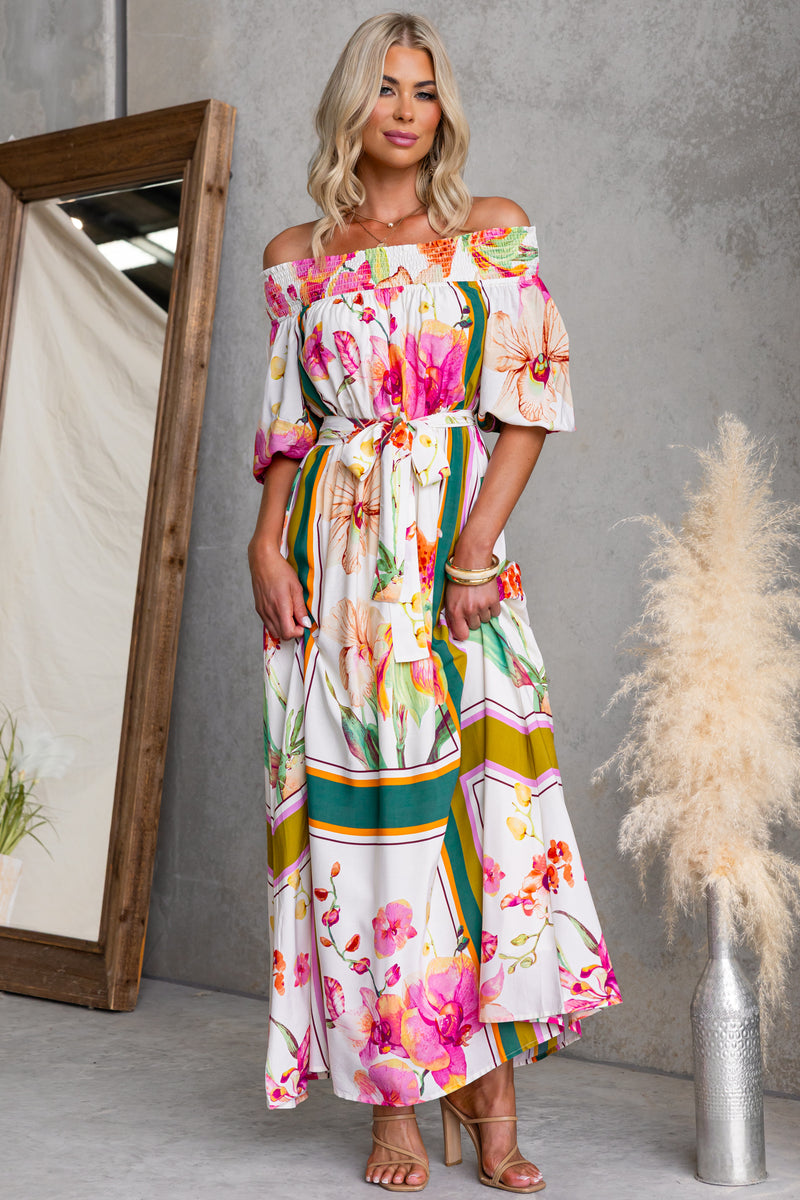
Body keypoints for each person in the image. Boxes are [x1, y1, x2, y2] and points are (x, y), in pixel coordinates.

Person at [248, 12, 621, 1194]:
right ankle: (395, 1105)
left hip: (450, 549)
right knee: (367, 824)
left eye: (422, 91)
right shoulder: (298, 253)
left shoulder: (489, 234)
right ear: (351, 107)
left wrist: (473, 550)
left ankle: (489, 1096)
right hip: (337, 567)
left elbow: (527, 401)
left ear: (441, 111)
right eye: (384, 88)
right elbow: (287, 425)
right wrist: (264, 544)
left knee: (478, 811)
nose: (404, 110)